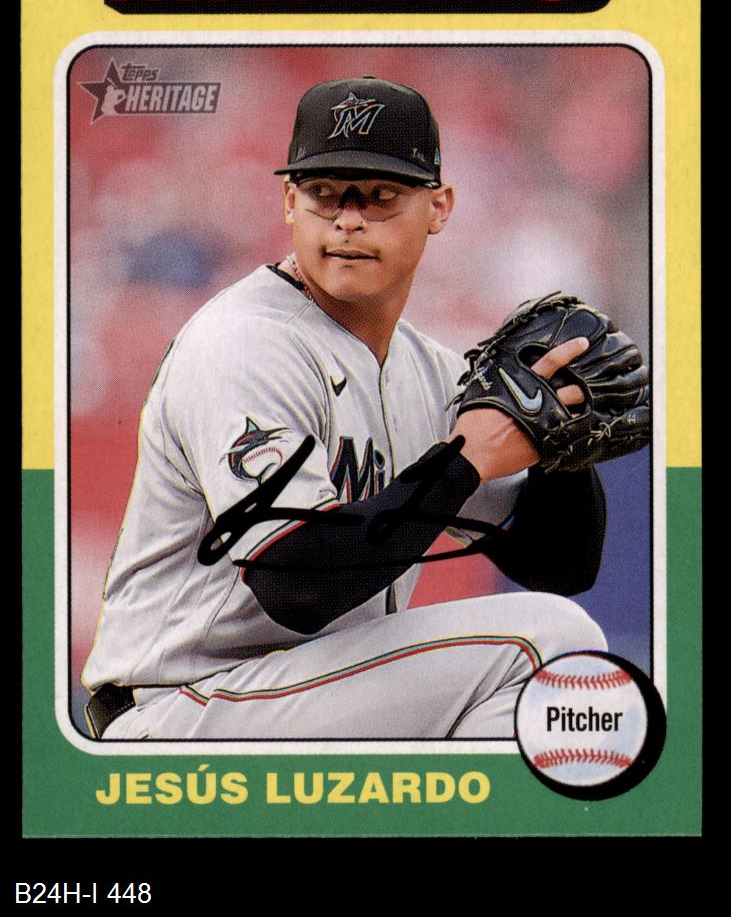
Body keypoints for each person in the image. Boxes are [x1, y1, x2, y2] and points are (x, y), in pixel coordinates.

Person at [82, 75, 610, 741]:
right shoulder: (243, 343)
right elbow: (294, 585)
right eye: (325, 193)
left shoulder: (431, 372)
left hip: (307, 693)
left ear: (439, 207)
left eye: (380, 195)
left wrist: (563, 446)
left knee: (544, 679)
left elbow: (559, 565)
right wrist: (465, 458)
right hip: (183, 706)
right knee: (547, 644)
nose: (348, 219)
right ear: (289, 202)